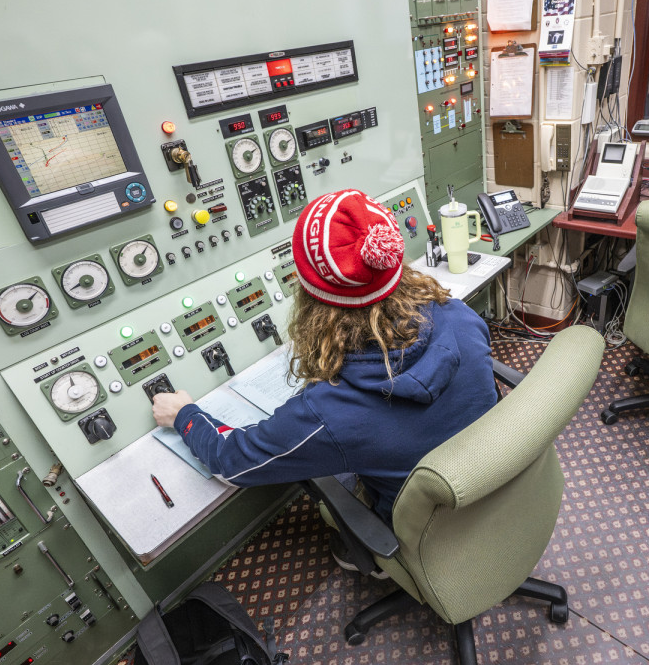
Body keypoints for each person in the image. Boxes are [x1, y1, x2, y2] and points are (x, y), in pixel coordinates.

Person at [150, 188, 498, 530]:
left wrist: (184, 415)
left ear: (311, 297)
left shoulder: (327, 411)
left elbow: (231, 463)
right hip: (489, 485)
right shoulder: (460, 315)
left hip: (419, 528)